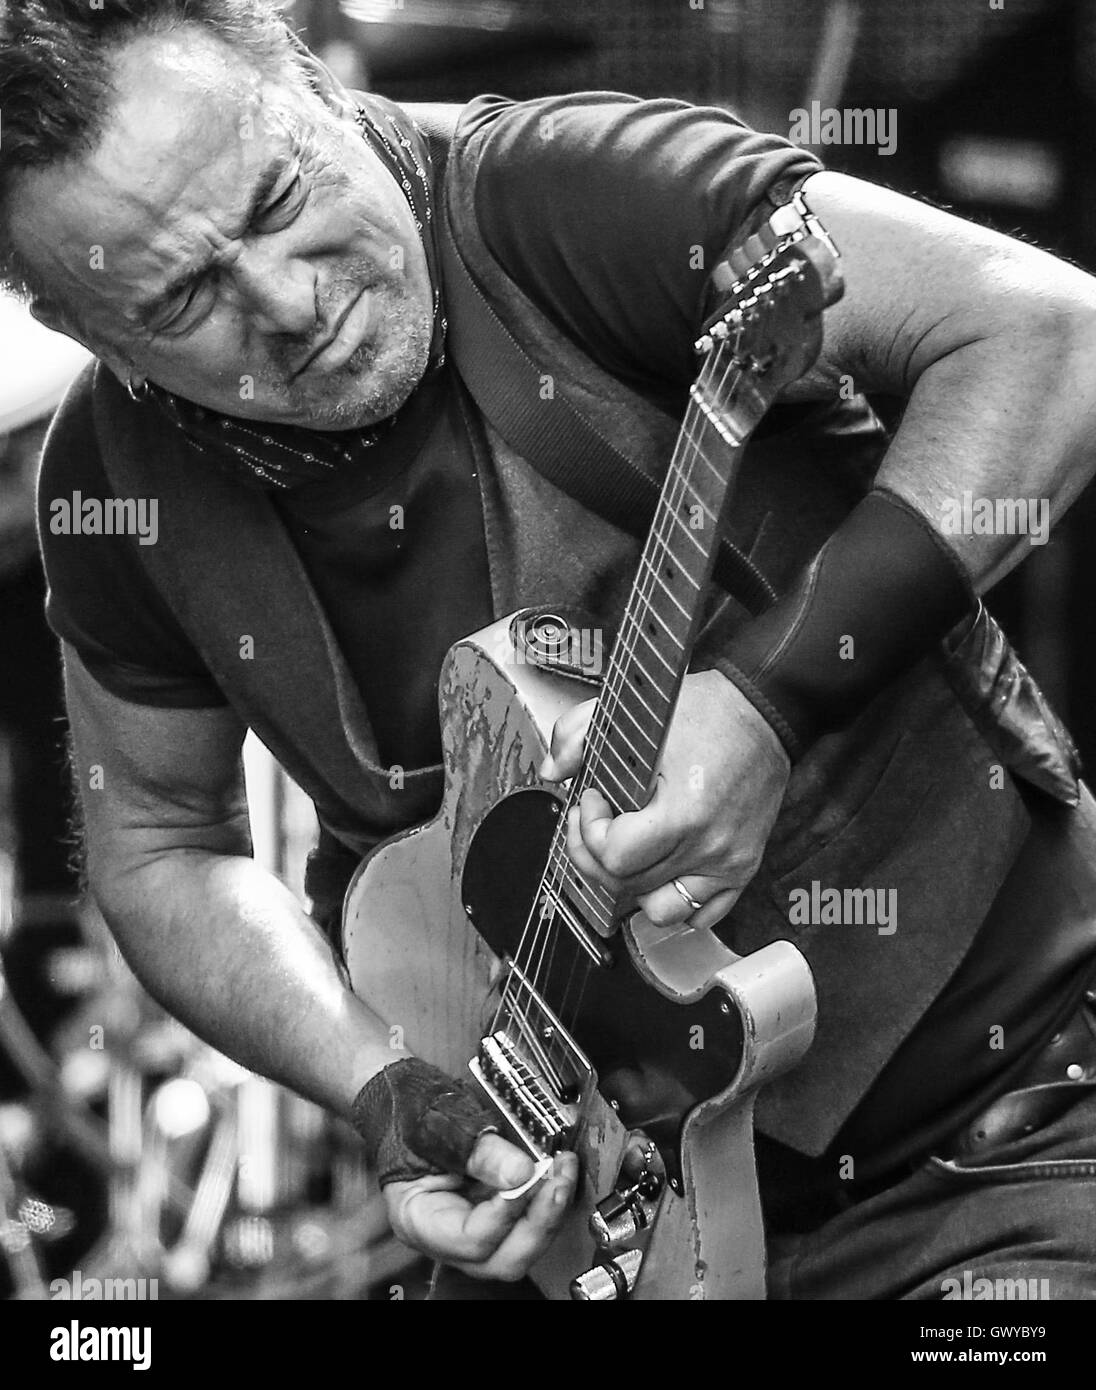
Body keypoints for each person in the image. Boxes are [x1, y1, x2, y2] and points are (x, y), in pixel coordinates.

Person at [8, 0, 1096, 1298]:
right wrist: (381, 1085)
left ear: (313, 84)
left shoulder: (562, 196)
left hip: (988, 1146)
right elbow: (158, 844)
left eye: (278, 195)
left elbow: (1050, 333)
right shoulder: (107, 481)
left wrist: (765, 703)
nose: (289, 302)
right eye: (182, 297)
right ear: (80, 328)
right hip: (585, 1228)